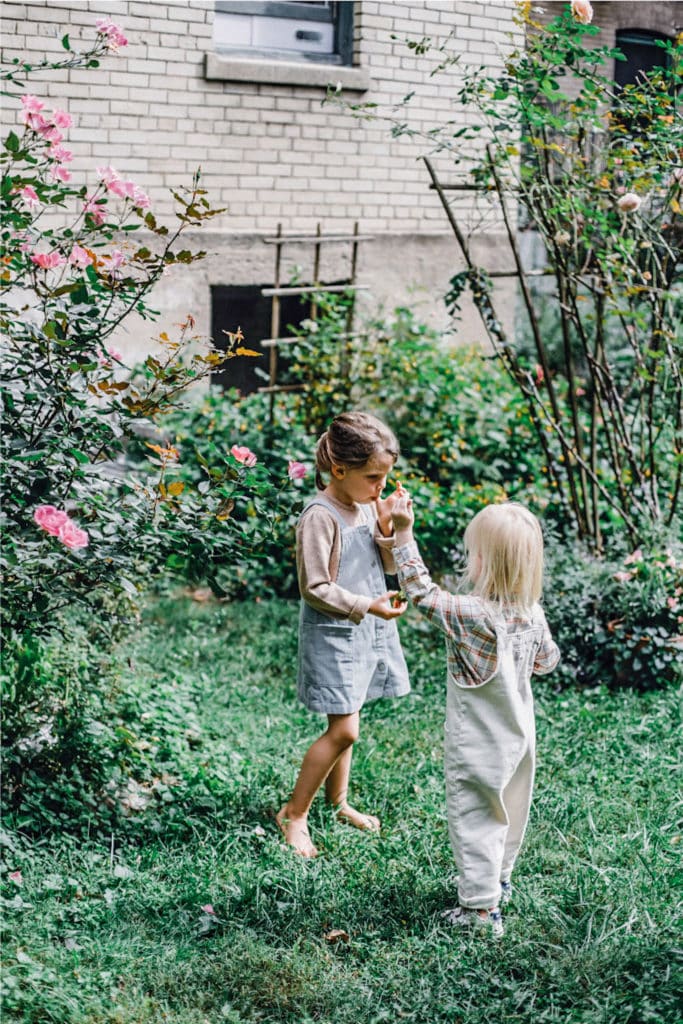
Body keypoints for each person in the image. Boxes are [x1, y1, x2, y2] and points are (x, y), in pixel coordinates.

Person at [390, 495, 560, 938]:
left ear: (483, 562)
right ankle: (498, 882)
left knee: (477, 816)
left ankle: (480, 913)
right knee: (512, 809)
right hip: (521, 736)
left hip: (481, 741)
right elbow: (547, 663)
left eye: (472, 554)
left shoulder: (471, 614)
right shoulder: (532, 613)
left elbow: (421, 592)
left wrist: (403, 533)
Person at [277, 412, 410, 858]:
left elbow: (384, 567)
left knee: (348, 715)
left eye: (385, 477)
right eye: (374, 477)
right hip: (335, 633)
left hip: (365, 631)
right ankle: (294, 814)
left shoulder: (367, 507)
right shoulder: (320, 516)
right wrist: (365, 605)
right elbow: (314, 587)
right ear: (339, 470)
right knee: (346, 730)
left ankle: (338, 803)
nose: (380, 488)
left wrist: (392, 529)